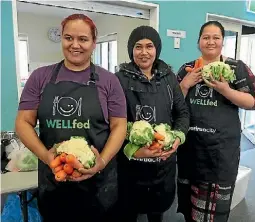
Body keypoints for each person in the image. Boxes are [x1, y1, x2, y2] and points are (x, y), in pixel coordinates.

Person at [15, 14, 127, 222]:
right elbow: (23, 122)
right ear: (62, 40)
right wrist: (47, 157)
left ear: (94, 43)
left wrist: (101, 162)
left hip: (99, 185)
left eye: (83, 39)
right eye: (68, 38)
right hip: (55, 179)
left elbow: (119, 125)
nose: (75, 45)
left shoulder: (109, 80)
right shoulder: (40, 77)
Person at [176, 20, 255, 222]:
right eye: (206, 37)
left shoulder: (236, 68)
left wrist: (225, 90)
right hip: (191, 149)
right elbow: (171, 103)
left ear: (223, 41)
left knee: (213, 212)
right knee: (191, 207)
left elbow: (254, 102)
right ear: (198, 42)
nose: (210, 42)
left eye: (216, 37)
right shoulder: (187, 69)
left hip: (220, 151)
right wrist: (184, 86)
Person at [115, 25, 189, 222]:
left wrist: (177, 138)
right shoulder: (119, 80)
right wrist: (131, 150)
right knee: (127, 212)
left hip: (162, 164)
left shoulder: (169, 78)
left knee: (157, 212)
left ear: (157, 49)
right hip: (130, 166)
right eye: (138, 47)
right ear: (131, 50)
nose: (144, 52)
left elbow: (182, 114)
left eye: (149, 46)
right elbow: (111, 123)